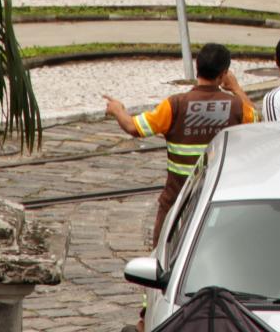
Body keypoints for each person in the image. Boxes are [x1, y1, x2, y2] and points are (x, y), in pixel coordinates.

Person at [104, 42, 254, 241]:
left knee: (161, 256)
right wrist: (235, 87)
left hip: (176, 202)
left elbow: (134, 127)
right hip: (217, 200)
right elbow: (258, 120)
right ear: (224, 73)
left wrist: (117, 109)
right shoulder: (237, 106)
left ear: (197, 67)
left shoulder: (175, 104)